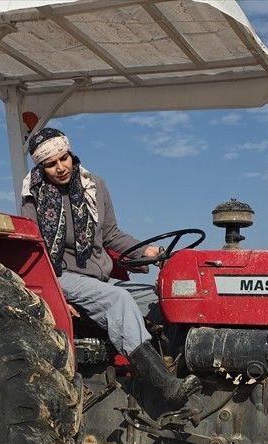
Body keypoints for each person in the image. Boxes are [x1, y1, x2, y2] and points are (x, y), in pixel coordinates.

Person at [20, 127, 200, 407]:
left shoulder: (95, 186)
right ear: (41, 167)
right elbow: (35, 248)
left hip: (100, 277)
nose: (60, 168)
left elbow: (111, 233)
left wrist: (146, 250)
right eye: (51, 164)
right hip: (61, 277)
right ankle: (164, 385)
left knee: (162, 299)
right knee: (119, 299)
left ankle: (177, 365)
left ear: (71, 154)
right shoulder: (34, 196)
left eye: (63, 158)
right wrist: (52, 296)